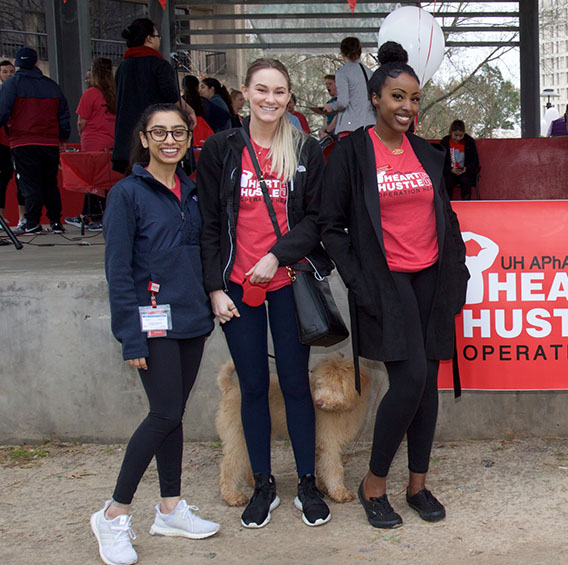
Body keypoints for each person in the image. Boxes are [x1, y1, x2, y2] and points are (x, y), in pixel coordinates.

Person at [320, 41, 469, 529]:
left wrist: (458, 267)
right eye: (397, 97)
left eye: (414, 99)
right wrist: (359, 280)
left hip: (431, 277)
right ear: (376, 99)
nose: (407, 107)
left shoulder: (428, 153)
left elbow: (444, 214)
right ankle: (374, 483)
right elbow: (331, 226)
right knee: (410, 380)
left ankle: (418, 486)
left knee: (426, 386)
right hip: (386, 281)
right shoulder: (352, 153)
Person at [197, 58, 334, 529]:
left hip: (287, 283)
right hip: (238, 289)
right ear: (244, 93)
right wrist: (215, 287)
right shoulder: (220, 149)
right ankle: (263, 485)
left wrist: (277, 256)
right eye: (262, 90)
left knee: (295, 386)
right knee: (252, 387)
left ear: (289, 97)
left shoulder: (305, 149)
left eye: (279, 92)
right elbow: (210, 225)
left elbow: (316, 219)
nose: (270, 99)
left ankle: (307, 484)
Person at [94, 103, 220, 565]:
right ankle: (112, 513)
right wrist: (130, 336)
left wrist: (206, 311)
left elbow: (199, 254)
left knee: (173, 414)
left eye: (179, 132)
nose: (171, 140)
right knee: (164, 413)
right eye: (160, 132)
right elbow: (118, 271)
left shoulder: (191, 190)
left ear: (189, 138)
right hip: (151, 322)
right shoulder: (128, 194)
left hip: (191, 322)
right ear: (144, 138)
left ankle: (169, 508)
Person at [0, 47, 70, 235]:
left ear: (17, 64)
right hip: (49, 141)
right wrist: (63, 136)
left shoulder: (12, 84)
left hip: (23, 140)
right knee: (49, 181)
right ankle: (56, 221)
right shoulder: (51, 85)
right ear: (36, 63)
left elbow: (3, 111)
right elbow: (63, 113)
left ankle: (32, 221)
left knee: (29, 183)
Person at [113, 18, 179, 174]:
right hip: (152, 139)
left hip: (125, 143)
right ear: (149, 38)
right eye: (157, 36)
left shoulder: (122, 67)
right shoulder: (159, 65)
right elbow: (171, 96)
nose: (159, 41)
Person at [66, 57, 117, 232]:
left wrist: (83, 136)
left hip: (93, 141)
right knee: (108, 179)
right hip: (111, 141)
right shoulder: (114, 93)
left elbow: (81, 121)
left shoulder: (90, 93)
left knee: (92, 181)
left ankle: (92, 216)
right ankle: (99, 215)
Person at [323, 37, 376, 136]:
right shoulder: (369, 73)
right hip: (370, 125)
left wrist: (331, 106)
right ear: (360, 52)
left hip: (349, 127)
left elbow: (343, 102)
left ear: (342, 53)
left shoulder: (343, 72)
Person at [0, 59, 22, 226]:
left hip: (20, 140)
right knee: (3, 178)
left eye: (10, 71)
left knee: (22, 179)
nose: (8, 74)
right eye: (4, 72)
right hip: (3, 143)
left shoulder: (21, 93)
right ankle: (1, 216)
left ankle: (24, 217)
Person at [438, 120, 479, 200]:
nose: (458, 138)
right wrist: (449, 169)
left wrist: (466, 169)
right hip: (449, 171)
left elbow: (475, 160)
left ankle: (466, 204)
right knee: (447, 181)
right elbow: (440, 159)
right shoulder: (445, 141)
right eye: (455, 135)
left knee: (466, 181)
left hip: (464, 171)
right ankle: (448, 204)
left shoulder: (469, 141)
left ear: (464, 133)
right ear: (451, 132)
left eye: (461, 135)